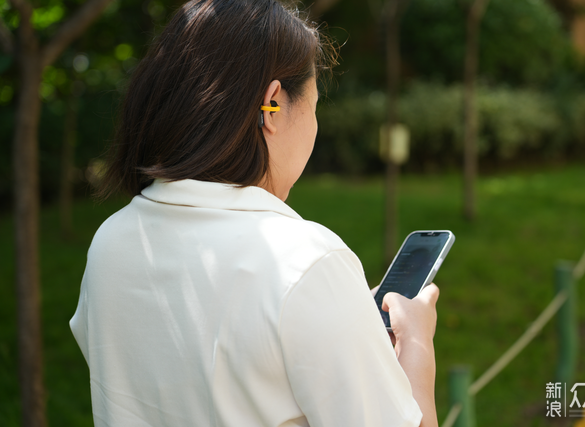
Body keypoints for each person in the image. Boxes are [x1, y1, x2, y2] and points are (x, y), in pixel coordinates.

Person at [70, 0, 440, 426]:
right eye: (316, 106)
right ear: (274, 104)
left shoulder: (111, 241)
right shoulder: (305, 262)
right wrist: (416, 345)